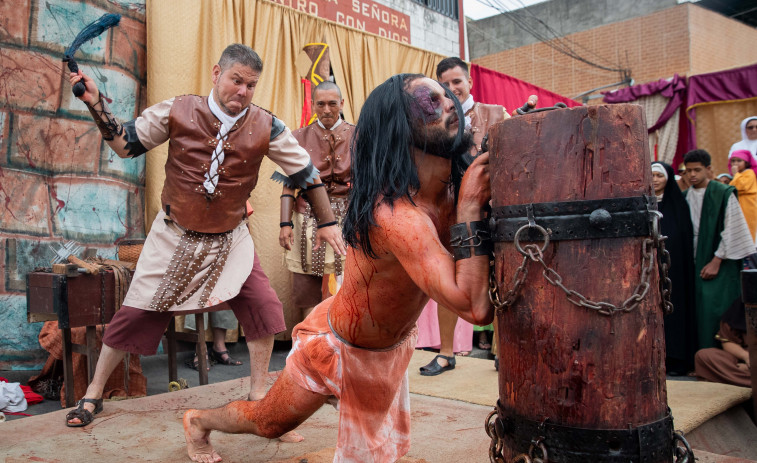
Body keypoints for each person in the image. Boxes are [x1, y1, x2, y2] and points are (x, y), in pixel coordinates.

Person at [182, 74, 494, 462]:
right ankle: (198, 421)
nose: (449, 103)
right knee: (268, 423)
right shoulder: (398, 217)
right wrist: (468, 211)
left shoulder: (453, 188)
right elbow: (475, 307)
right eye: (431, 101)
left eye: (448, 96)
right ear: (400, 127)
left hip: (388, 348)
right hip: (337, 347)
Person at [64, 44, 346, 433]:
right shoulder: (176, 110)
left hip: (230, 238)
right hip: (173, 235)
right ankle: (93, 393)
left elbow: (305, 172)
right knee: (133, 313)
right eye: (236, 80)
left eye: (250, 85)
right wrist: (96, 104)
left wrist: (328, 222)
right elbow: (126, 144)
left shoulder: (267, 126)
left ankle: (258, 396)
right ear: (217, 74)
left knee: (262, 307)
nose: (243, 91)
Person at [417, 56, 508, 375]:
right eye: (444, 84)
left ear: (469, 81)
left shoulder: (496, 114)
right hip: (453, 211)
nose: (452, 88)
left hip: (496, 208)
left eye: (457, 81)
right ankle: (445, 352)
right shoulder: (435, 120)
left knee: (505, 276)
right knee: (450, 278)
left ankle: (505, 350)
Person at [277, 81, 355, 324]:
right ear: (313, 105)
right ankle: (308, 347)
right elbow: (289, 184)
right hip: (306, 217)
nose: (327, 109)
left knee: (349, 283)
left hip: (348, 217)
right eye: (320, 104)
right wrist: (284, 223)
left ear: (342, 103)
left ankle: (343, 344)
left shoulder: (359, 135)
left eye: (333, 103)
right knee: (306, 285)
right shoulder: (298, 137)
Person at [683, 149, 755, 349]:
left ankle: (719, 353)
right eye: (688, 171)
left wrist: (717, 260)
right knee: (695, 308)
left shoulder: (722, 193)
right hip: (694, 257)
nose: (692, 175)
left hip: (720, 259)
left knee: (715, 305)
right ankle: (698, 357)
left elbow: (733, 228)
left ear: (708, 169)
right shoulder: (684, 196)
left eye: (697, 170)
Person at [651, 162, 697, 374]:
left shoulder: (678, 205)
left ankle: (677, 358)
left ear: (667, 178)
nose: (655, 179)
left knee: (675, 310)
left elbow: (685, 238)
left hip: (675, 269)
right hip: (650, 270)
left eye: (659, 175)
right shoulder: (646, 205)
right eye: (651, 175)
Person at [694, 297, 751, 387]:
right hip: (746, 359)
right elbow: (728, 341)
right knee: (703, 356)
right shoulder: (742, 305)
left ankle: (734, 380)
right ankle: (746, 380)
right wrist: (747, 357)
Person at [729, 149, 757, 241]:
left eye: (739, 160)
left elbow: (741, 186)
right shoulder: (737, 175)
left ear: (746, 162)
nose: (735, 163)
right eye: (733, 161)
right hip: (739, 204)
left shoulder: (749, 173)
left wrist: (736, 174)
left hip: (748, 205)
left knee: (748, 228)